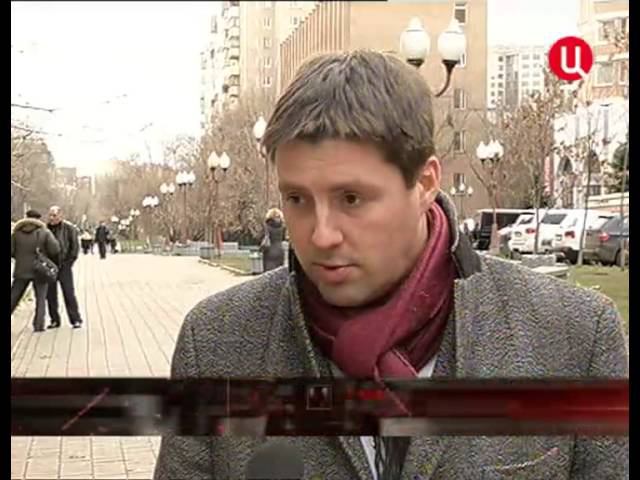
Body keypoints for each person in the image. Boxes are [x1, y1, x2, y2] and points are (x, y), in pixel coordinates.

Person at [154, 51, 627, 479]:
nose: (321, 235)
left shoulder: (574, 336)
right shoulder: (215, 344)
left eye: (351, 198)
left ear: (425, 183)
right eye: (297, 199)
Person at [11, 210, 60, 332]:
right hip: (40, 270)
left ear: (26, 217)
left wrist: (20, 258)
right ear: (38, 219)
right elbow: (55, 249)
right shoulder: (44, 232)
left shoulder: (16, 233)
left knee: (14, 296)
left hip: (21, 269)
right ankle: (39, 325)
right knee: (41, 298)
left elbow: (11, 251)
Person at [46, 206, 83, 329]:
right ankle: (54, 320)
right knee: (50, 295)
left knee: (68, 292)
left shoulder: (69, 228)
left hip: (64, 265)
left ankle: (75, 319)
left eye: (54, 215)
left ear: (60, 216)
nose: (52, 218)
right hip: (50, 266)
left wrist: (69, 262)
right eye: (50, 215)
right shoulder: (45, 229)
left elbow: (74, 247)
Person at [259, 207, 286, 272]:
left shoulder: (267, 225)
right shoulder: (282, 226)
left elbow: (262, 237)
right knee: (278, 272)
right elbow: (283, 238)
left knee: (268, 273)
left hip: (269, 251)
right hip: (280, 251)